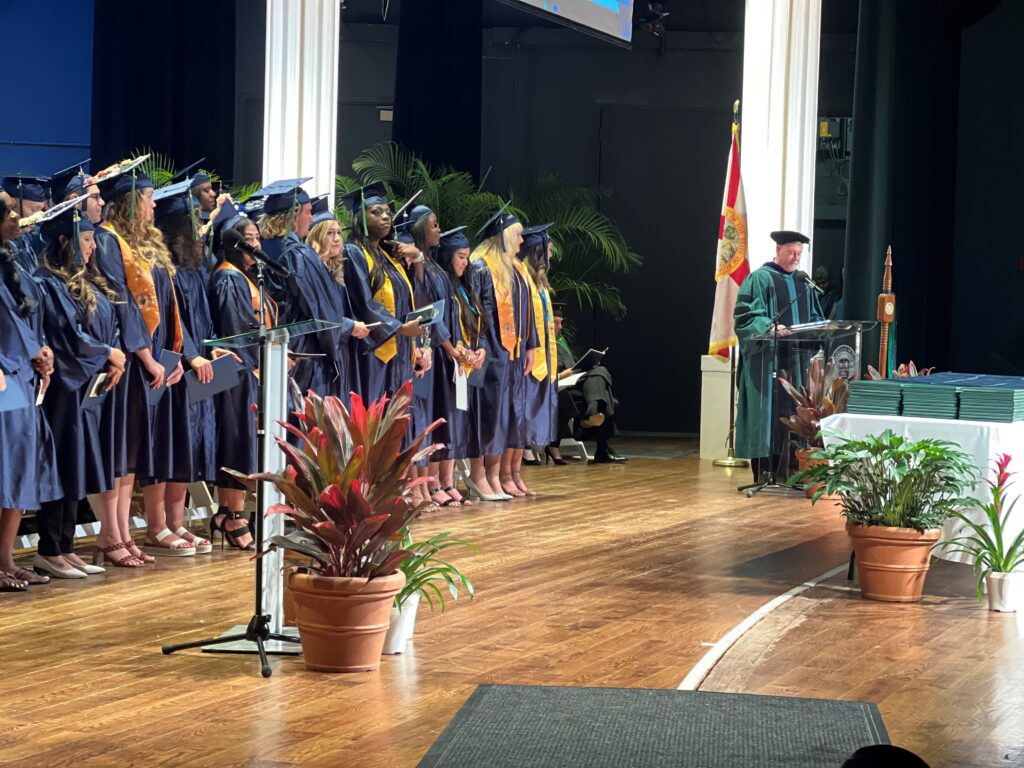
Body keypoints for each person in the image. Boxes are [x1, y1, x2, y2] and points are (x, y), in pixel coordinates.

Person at [94, 163, 192, 561]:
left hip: (151, 358)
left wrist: (174, 355)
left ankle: (121, 533)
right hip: (128, 356)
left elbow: (167, 306)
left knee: (132, 449)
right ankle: (111, 533)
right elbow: (122, 302)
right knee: (118, 448)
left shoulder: (146, 245)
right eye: (148, 199)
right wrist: (149, 358)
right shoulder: (108, 240)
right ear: (131, 203)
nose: (153, 207)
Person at [34, 202, 126, 576]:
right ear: (65, 241)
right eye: (86, 240)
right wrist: (107, 353)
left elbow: (110, 325)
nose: (92, 248)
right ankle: (49, 547)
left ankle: (67, 546)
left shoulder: (83, 282)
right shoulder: (48, 282)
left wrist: (112, 357)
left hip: (88, 384)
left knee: (79, 462)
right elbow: (67, 337)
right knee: (64, 463)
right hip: (64, 388)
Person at [0, 190, 60, 587]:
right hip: (4, 377)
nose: (16, 217)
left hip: (19, 375)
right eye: (7, 211)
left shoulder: (9, 259)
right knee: (3, 468)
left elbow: (17, 319)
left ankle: (4, 558)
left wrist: (41, 350)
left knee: (19, 466)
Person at [733, 230, 825, 482]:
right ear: (778, 251)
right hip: (767, 362)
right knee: (766, 417)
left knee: (795, 413)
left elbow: (816, 320)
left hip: (797, 363)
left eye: (799, 253)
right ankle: (764, 473)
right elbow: (745, 317)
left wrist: (819, 330)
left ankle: (792, 474)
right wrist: (768, 327)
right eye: (791, 252)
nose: (795, 257)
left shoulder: (804, 283)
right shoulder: (760, 279)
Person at [256, 178, 358, 403]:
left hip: (277, 351)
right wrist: (346, 327)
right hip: (304, 357)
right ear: (293, 214)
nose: (311, 219)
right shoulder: (297, 254)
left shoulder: (262, 248)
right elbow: (319, 310)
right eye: (308, 212)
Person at [404, 207, 476, 507]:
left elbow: (448, 314)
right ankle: (417, 485)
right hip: (424, 349)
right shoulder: (418, 267)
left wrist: (458, 345)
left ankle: (429, 484)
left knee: (430, 421)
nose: (438, 230)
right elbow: (427, 311)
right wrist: (448, 347)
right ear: (420, 229)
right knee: (417, 421)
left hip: (437, 351)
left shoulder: (436, 269)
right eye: (434, 225)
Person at [207, 206, 268, 550]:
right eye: (248, 240)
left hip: (250, 370)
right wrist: (260, 362)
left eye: (258, 238)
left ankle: (230, 513)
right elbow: (235, 333)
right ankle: (231, 515)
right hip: (235, 370)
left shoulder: (245, 277)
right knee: (235, 442)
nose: (256, 246)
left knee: (244, 443)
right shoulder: (228, 276)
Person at [468, 206, 538, 499]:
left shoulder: (516, 270)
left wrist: (531, 344)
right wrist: (482, 347)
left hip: (513, 352)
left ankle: (497, 475)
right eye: (519, 235)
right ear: (505, 236)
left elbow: (529, 313)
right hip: (491, 352)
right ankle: (479, 476)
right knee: (487, 415)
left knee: (505, 416)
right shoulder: (481, 267)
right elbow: (476, 313)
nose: (522, 242)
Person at [340, 183, 427, 407]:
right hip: (371, 353)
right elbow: (363, 304)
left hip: (398, 352)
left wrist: (417, 256)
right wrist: (400, 328)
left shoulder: (386, 256)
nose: (386, 217)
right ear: (360, 218)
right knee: (374, 415)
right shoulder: (353, 252)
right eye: (376, 212)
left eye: (388, 212)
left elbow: (411, 295)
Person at [436, 226, 487, 503]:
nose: (465, 262)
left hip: (465, 363)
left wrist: (480, 349)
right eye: (460, 256)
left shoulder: (464, 287)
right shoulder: (443, 283)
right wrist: (456, 350)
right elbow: (442, 322)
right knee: (447, 420)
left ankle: (448, 480)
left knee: (457, 421)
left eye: (467, 257)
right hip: (449, 360)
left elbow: (478, 324)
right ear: (448, 257)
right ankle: (437, 483)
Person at [304, 195, 369, 406]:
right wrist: (349, 326)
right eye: (329, 233)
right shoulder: (312, 271)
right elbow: (319, 316)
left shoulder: (334, 273)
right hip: (317, 360)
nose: (337, 239)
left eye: (339, 233)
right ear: (316, 237)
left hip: (338, 355)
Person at [550, 305, 627, 464]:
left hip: (574, 382)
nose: (560, 327)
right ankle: (602, 449)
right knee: (605, 398)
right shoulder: (537, 345)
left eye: (561, 323)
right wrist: (559, 375)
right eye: (556, 323)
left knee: (600, 371)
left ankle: (592, 414)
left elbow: (572, 367)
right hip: (557, 387)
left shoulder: (560, 341)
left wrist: (585, 367)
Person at [519, 224, 558, 459]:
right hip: (528, 354)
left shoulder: (540, 282)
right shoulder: (522, 276)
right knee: (525, 403)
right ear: (537, 252)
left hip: (545, 354)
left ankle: (530, 447)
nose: (551, 255)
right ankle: (522, 449)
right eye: (549, 250)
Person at [2, 174, 50, 272]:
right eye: (34, 210)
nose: (38, 217)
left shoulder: (26, 237)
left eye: (41, 210)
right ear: (12, 204)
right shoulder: (5, 245)